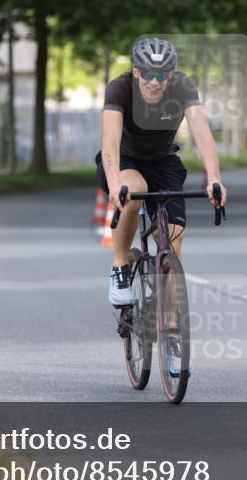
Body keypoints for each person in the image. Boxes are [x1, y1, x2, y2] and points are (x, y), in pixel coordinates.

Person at [97, 37, 226, 307]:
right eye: (147, 74)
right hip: (125, 159)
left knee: (173, 245)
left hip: (163, 161)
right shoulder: (119, 88)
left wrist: (214, 179)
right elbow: (109, 143)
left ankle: (172, 335)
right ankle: (120, 265)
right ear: (136, 72)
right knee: (136, 192)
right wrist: (114, 183)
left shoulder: (182, 87)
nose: (154, 81)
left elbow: (203, 136)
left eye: (162, 74)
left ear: (171, 75)